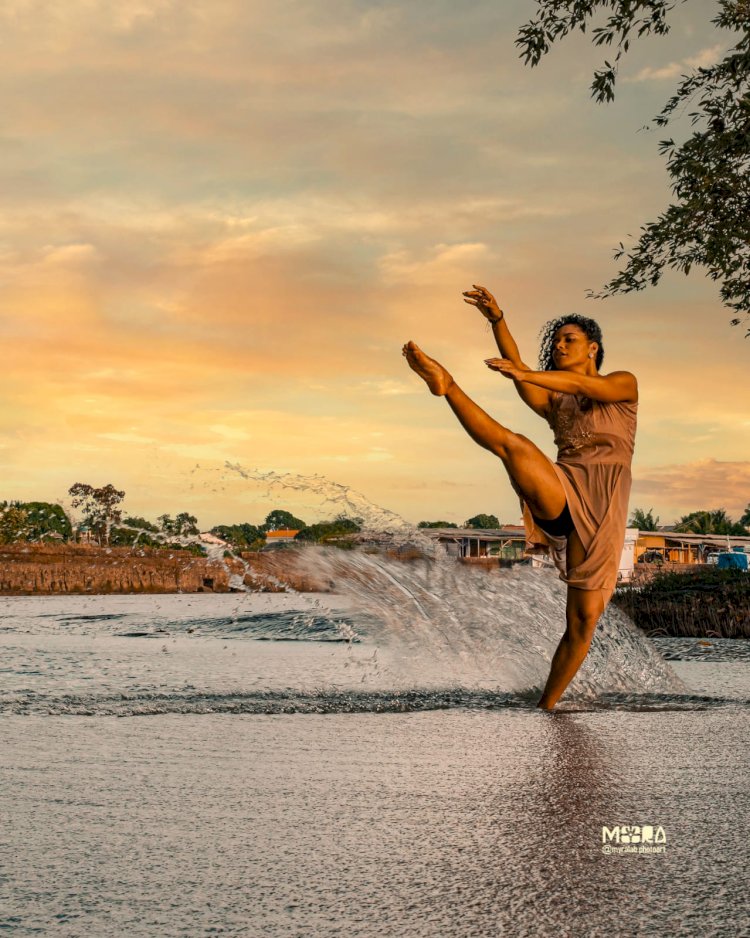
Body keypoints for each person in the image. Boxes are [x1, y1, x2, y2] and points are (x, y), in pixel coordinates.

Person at [402, 284, 638, 710]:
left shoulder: (622, 385)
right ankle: (448, 386)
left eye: (570, 340)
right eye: (557, 341)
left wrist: (526, 373)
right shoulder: (555, 400)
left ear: (593, 348)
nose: (560, 345)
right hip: (562, 490)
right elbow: (520, 369)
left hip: (603, 510)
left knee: (582, 623)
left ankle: (546, 706)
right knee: (516, 446)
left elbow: (530, 373)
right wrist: (498, 320)